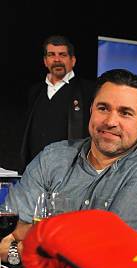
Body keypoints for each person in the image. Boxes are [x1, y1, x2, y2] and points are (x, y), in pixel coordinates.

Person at [1, 69, 137, 265]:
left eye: (125, 113)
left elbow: (106, 246)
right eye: (103, 108)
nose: (110, 121)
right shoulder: (53, 156)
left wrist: (28, 239)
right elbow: (9, 226)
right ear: (91, 110)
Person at [20, 35, 95, 171]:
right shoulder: (35, 91)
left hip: (70, 173)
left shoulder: (89, 91)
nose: (57, 60)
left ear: (73, 60)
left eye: (62, 55)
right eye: (51, 55)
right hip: (35, 172)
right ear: (45, 61)